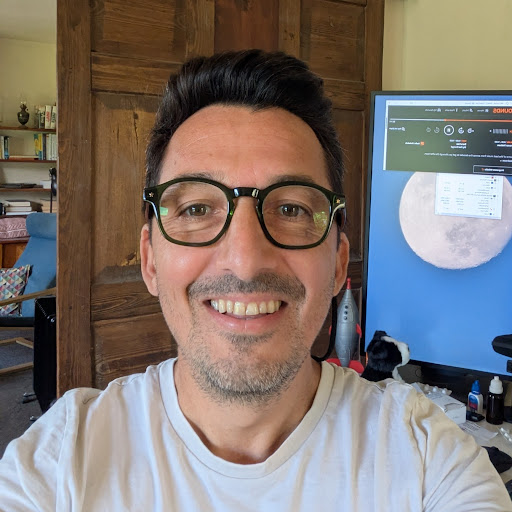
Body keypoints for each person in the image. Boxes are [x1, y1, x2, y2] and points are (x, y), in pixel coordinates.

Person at [0, 49, 510, 511]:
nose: (244, 261)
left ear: (338, 264)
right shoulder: (59, 465)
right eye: (196, 208)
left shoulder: (431, 461)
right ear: (150, 259)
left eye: (291, 209)